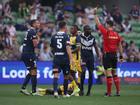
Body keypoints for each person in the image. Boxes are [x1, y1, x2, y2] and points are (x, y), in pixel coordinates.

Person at [94, 8, 123, 97]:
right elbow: (120, 46)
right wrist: (121, 56)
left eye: (106, 24)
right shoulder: (117, 34)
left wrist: (95, 14)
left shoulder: (106, 32)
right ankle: (118, 92)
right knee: (115, 73)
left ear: (107, 24)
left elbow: (98, 24)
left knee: (108, 74)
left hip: (107, 55)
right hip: (115, 55)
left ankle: (109, 93)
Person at [50, 21, 74, 98]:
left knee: (56, 75)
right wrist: (71, 59)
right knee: (66, 76)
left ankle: (55, 92)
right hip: (65, 59)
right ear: (64, 27)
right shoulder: (66, 36)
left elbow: (52, 48)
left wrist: (56, 53)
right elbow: (68, 48)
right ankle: (65, 93)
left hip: (57, 58)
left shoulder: (54, 36)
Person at [20, 19, 41, 96]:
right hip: (29, 54)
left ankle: (23, 88)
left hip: (25, 53)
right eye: (37, 23)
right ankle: (34, 91)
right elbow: (35, 44)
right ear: (33, 24)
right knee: (34, 71)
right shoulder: (32, 31)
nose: (39, 24)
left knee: (31, 71)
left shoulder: (30, 31)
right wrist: (38, 39)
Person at [80, 25, 100, 96]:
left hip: (90, 57)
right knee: (83, 71)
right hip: (83, 57)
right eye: (88, 30)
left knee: (91, 73)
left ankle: (89, 92)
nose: (90, 31)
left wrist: (98, 55)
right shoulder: (80, 36)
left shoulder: (92, 38)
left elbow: (96, 47)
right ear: (85, 30)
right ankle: (81, 90)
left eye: (90, 29)